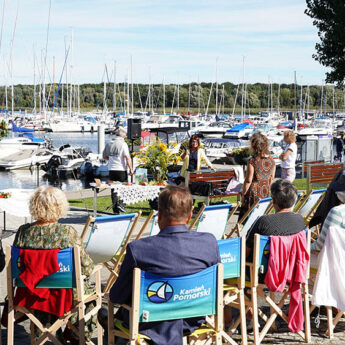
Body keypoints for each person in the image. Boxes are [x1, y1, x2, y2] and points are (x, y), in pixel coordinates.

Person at [102, 185, 220, 345]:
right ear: (190, 215)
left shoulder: (139, 249)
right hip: (193, 319)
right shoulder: (209, 243)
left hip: (150, 323)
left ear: (160, 215)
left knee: (109, 315)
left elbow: (117, 296)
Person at [13, 186, 95, 343]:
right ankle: (78, 335)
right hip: (64, 295)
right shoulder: (66, 232)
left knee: (48, 286)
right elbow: (87, 267)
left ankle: (45, 331)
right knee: (90, 291)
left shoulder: (23, 231)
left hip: (30, 291)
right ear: (60, 206)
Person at [246, 179, 305, 258]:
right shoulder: (300, 220)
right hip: (292, 266)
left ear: (273, 201)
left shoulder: (263, 221)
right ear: (294, 200)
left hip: (264, 268)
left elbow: (245, 251)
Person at [239, 133, 276, 219]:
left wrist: (243, 194)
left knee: (249, 218)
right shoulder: (272, 160)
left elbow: (248, 180)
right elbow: (271, 178)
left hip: (254, 192)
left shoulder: (252, 161)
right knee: (262, 216)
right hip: (265, 190)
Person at [103, 127, 134, 213]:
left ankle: (115, 211)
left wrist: (112, 159)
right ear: (123, 135)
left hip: (111, 170)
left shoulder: (109, 143)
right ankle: (122, 204)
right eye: (125, 135)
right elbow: (128, 158)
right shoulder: (123, 144)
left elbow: (104, 157)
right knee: (126, 188)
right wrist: (131, 169)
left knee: (114, 190)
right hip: (121, 169)